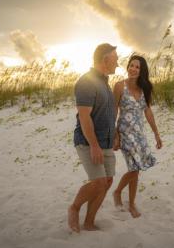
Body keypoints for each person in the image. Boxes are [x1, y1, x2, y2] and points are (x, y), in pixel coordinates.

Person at [68, 43, 118, 233]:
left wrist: (115, 135)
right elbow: (84, 116)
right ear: (105, 60)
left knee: (107, 182)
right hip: (89, 142)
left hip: (106, 142)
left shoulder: (105, 83)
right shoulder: (86, 82)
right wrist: (94, 146)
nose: (118, 63)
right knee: (98, 183)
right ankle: (74, 207)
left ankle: (89, 222)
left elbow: (108, 113)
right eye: (116, 59)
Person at [112, 54, 162, 218]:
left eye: (137, 67)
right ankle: (118, 193)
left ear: (142, 71)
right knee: (135, 168)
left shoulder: (144, 89)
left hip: (139, 133)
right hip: (125, 132)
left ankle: (130, 202)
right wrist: (115, 136)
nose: (133, 69)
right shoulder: (119, 86)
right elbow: (113, 112)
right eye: (131, 65)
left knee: (136, 170)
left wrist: (156, 134)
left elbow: (148, 112)